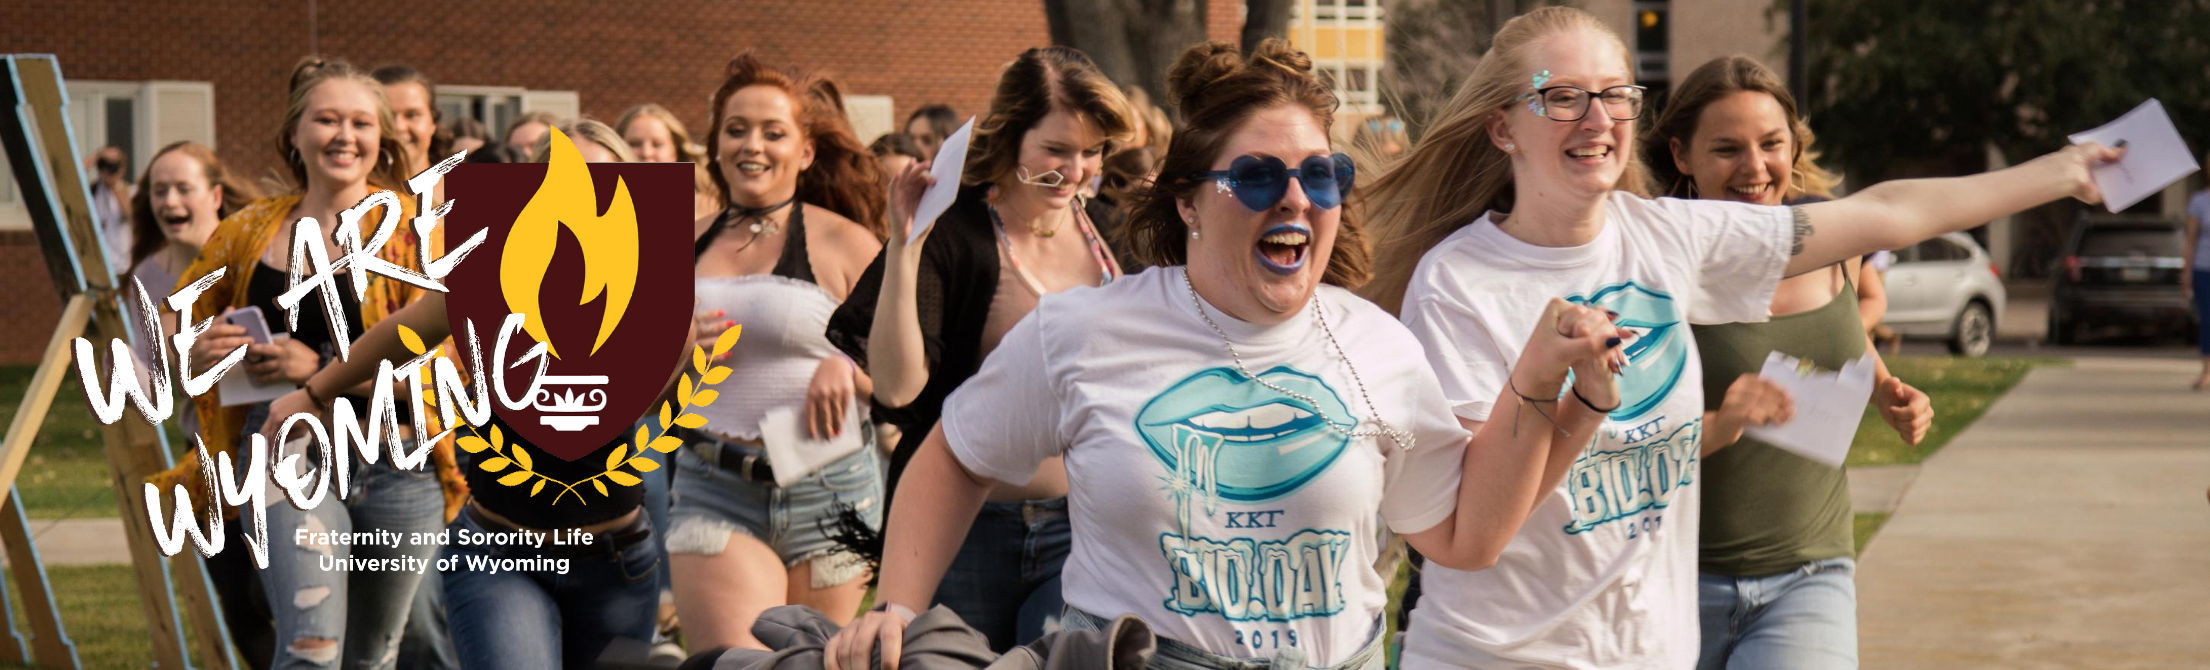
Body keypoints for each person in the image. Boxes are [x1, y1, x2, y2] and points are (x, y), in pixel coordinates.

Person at [823, 39, 1632, 670]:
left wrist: (1558, 394)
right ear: (1190, 204)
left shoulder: (1377, 346)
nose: (1293, 197)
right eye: (1255, 177)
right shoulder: (1084, 331)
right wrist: (896, 607)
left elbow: (1466, 536)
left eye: (1321, 176)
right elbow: (955, 455)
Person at [1358, 7, 2123, 668]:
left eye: (1616, 96)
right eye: (1562, 99)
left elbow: (1888, 212)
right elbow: (1478, 532)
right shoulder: (1459, 283)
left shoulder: (1667, 239)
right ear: (1503, 127)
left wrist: (2064, 172)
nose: (1598, 121)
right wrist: (1555, 386)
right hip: (1497, 655)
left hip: (1651, 653)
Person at [265, 120, 671, 670]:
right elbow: (405, 330)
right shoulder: (497, 262)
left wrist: (683, 348)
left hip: (616, 563)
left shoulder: (650, 271)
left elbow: (644, 404)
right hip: (500, 554)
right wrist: (314, 390)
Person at [825, 45, 1135, 653]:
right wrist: (904, 248)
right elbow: (896, 386)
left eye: (1091, 152)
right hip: (964, 529)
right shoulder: (958, 229)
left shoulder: (1112, 228)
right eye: (1056, 150)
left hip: (1087, 525)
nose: (1075, 172)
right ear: (1012, 137)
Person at [1644, 54, 1934, 670]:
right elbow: (1615, 439)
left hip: (1810, 570)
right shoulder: (1653, 269)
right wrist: (1721, 421)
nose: (1755, 168)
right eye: (1726, 149)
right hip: (1668, 580)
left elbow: (1848, 328)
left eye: (1772, 143)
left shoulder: (1835, 246)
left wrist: (1883, 389)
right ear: (1680, 154)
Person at [168, 56, 457, 670]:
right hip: (283, 453)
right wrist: (196, 346)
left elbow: (453, 370)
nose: (344, 136)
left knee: (371, 658)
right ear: (295, 133)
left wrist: (318, 372)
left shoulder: (418, 235)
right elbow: (179, 317)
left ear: (381, 139)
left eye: (360, 122)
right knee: (311, 650)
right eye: (326, 120)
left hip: (397, 465)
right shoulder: (246, 231)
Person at [668, 52, 889, 651]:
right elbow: (634, 393)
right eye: (736, 129)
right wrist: (672, 353)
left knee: (813, 666)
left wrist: (844, 366)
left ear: (806, 152)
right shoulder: (675, 246)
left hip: (833, 485)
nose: (752, 145)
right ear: (714, 144)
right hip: (715, 484)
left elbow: (902, 382)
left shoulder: (846, 243)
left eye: (773, 132)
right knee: (738, 664)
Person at [616, 102, 723, 219]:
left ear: (675, 151)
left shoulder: (707, 207)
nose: (646, 153)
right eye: (635, 144)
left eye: (657, 144)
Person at [89, 145, 135, 272]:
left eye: (112, 166)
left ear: (122, 170)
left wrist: (114, 186)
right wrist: (97, 157)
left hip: (122, 264)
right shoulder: (92, 190)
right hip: (97, 266)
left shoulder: (129, 191)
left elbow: (131, 215)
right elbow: (69, 179)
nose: (107, 171)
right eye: (104, 166)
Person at [2187, 159, 2208, 390]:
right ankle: (2207, 371)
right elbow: (2191, 240)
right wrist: (2186, 274)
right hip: (2204, 268)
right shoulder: (2199, 201)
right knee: (2208, 320)